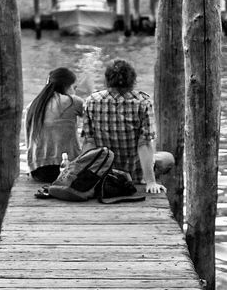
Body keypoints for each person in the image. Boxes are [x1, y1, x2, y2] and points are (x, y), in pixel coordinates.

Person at [81, 58, 174, 194]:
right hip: (134, 174)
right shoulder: (143, 102)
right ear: (132, 80)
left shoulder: (91, 101)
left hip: (103, 172)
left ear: (107, 79)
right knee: (168, 158)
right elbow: (144, 144)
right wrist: (150, 182)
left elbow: (89, 142)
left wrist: (86, 177)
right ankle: (147, 178)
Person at [26, 66, 84, 183]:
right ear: (66, 86)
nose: (74, 91)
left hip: (37, 171)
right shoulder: (73, 102)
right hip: (64, 169)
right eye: (74, 87)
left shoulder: (33, 106)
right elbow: (93, 117)